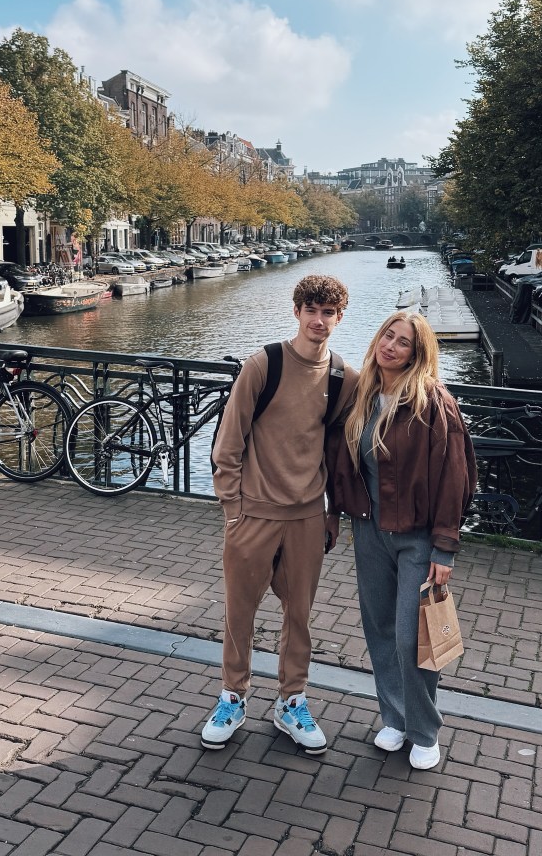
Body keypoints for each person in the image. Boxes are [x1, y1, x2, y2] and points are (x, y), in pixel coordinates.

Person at [202, 275, 358, 754]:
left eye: (328, 312)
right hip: (254, 513)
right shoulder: (263, 364)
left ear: (339, 317)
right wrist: (233, 508)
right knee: (239, 613)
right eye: (311, 310)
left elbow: (335, 450)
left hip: (308, 516)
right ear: (296, 312)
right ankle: (233, 695)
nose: (318, 320)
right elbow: (228, 443)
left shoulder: (343, 378)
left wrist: (332, 514)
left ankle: (292, 701)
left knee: (300, 615)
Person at [327, 310, 476, 770]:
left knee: (415, 638)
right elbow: (341, 461)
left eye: (403, 342)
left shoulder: (433, 401)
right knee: (381, 632)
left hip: (416, 539)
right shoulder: (363, 396)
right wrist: (336, 512)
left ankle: (425, 730)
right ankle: (393, 717)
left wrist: (444, 546)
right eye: (386, 335)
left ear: (418, 353)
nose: (390, 346)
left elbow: (455, 477)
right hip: (369, 532)